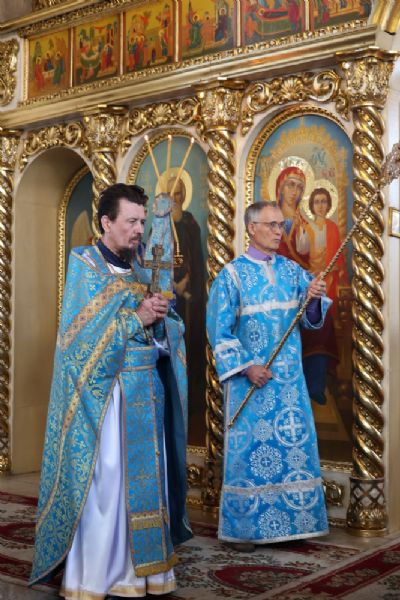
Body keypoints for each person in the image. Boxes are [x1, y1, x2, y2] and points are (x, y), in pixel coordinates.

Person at [30, 183, 192, 597]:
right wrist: (137, 318)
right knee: (109, 486)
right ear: (106, 222)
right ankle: (98, 576)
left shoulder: (141, 269)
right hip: (106, 401)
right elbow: (78, 345)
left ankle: (144, 575)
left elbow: (164, 331)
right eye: (131, 221)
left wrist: (162, 320)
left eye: (142, 221)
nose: (138, 230)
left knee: (146, 485)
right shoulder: (85, 265)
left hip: (145, 395)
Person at [206, 200, 330, 551]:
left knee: (292, 453)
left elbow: (311, 319)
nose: (279, 232)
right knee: (250, 456)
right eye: (272, 225)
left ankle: (294, 523)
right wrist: (248, 367)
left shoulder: (292, 271)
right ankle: (245, 530)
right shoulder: (231, 276)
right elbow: (219, 331)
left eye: (281, 225)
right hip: (251, 384)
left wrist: (314, 298)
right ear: (252, 228)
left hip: (289, 385)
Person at [296, 187, 348, 405]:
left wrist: (330, 274)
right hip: (311, 286)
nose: (320, 205)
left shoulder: (333, 228)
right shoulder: (306, 228)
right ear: (311, 205)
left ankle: (319, 385)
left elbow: (339, 260)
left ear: (328, 205)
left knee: (325, 331)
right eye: (316, 201)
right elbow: (301, 252)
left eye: (324, 201)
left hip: (329, 285)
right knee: (310, 332)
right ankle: (308, 385)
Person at [167, 177, 207, 444]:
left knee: (189, 346)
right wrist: (170, 284)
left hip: (190, 300)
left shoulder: (191, 223)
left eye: (179, 193)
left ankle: (191, 401)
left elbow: (196, 258)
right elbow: (154, 262)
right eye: (171, 194)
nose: (175, 199)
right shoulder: (160, 225)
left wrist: (186, 283)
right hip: (167, 297)